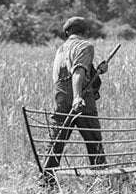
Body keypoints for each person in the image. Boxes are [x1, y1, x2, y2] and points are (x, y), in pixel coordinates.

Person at [42, 16, 109, 174]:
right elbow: (78, 71)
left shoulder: (61, 49)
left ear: (67, 32)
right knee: (94, 141)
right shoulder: (86, 46)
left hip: (61, 100)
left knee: (57, 141)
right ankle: (101, 177)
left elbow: (68, 72)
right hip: (82, 101)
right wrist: (78, 96)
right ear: (86, 32)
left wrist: (97, 70)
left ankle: (46, 179)